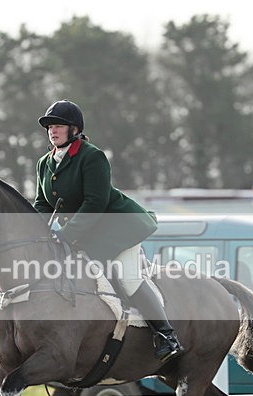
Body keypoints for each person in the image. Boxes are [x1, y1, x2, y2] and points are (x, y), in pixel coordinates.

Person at [33, 99, 184, 363]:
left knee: (127, 278)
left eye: (58, 126)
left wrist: (66, 235)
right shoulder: (44, 163)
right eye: (49, 127)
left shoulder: (92, 156)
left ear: (74, 129)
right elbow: (43, 204)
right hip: (85, 233)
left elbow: (96, 202)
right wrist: (34, 231)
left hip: (118, 227)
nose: (52, 131)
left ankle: (166, 335)